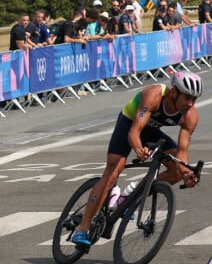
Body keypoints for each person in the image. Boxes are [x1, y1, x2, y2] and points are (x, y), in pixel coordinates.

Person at [71, 71, 202, 246]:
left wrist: (186, 173)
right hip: (130, 123)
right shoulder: (154, 95)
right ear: (173, 92)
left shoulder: (190, 116)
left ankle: (131, 195)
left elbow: (182, 152)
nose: (190, 103)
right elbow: (134, 132)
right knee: (113, 172)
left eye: (194, 99)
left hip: (151, 130)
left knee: (176, 171)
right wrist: (139, 150)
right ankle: (82, 228)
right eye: (187, 97)